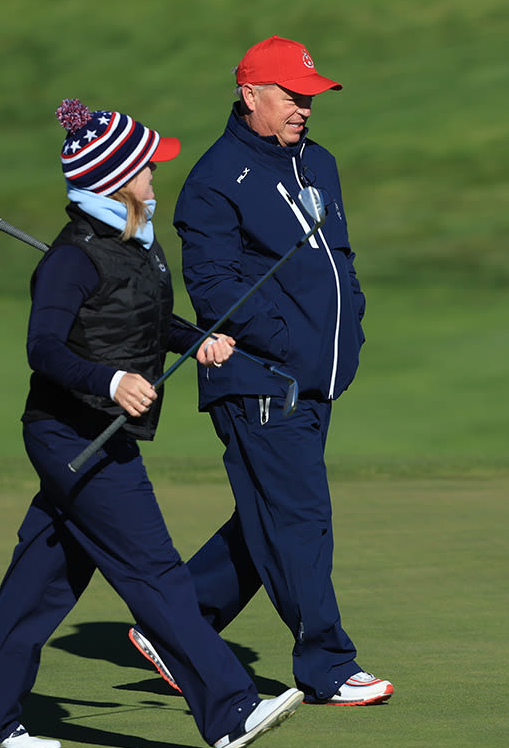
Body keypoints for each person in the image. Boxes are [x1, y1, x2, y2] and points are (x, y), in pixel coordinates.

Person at [0, 99, 303, 748]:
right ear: (114, 180)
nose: (154, 176)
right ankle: (230, 711)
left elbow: (147, 321)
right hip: (72, 436)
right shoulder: (71, 261)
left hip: (97, 435)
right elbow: (44, 349)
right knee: (155, 571)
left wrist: (195, 340)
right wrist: (109, 382)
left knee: (42, 583)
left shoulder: (136, 245)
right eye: (146, 167)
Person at [127, 36, 391, 707]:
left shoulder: (319, 164)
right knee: (300, 517)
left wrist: (349, 328)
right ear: (251, 96)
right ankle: (327, 665)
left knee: (269, 515)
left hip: (316, 376)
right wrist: (288, 349)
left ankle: (177, 626)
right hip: (260, 379)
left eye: (310, 96)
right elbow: (213, 289)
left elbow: (342, 259)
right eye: (291, 96)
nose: (304, 107)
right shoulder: (217, 179)